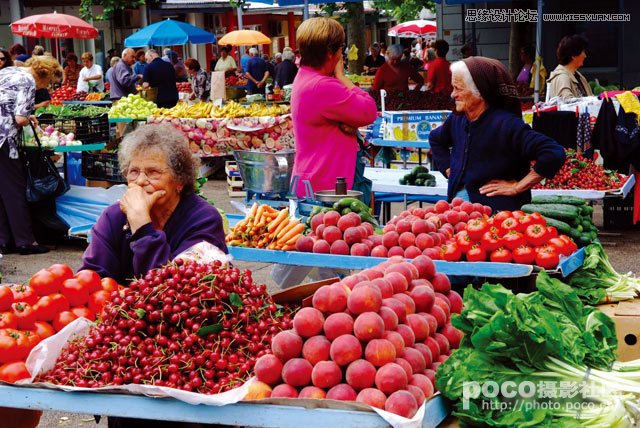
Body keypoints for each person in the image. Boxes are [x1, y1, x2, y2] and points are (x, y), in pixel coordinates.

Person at [80, 123, 227, 285]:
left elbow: (175, 290)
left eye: (153, 172)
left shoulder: (203, 219)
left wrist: (141, 224)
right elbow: (89, 280)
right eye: (134, 171)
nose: (141, 181)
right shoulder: (113, 217)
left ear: (180, 180)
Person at [430, 56, 566, 212]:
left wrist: (517, 187)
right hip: (459, 211)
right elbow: (436, 139)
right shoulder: (457, 119)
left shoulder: (507, 125)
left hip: (498, 217)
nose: (453, 95)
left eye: (459, 89)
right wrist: (449, 168)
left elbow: (553, 153)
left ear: (480, 92)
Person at [0, 55, 63, 255]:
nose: (47, 87)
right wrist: (29, 118)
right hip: (4, 139)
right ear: (44, 75)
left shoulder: (9, 71)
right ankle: (25, 241)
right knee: (15, 191)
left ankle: (4, 240)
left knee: (1, 193)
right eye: (49, 82)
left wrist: (27, 115)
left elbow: (9, 105)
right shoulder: (28, 81)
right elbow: (19, 118)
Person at [546, 34, 593, 101]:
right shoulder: (562, 77)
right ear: (574, 56)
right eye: (583, 52)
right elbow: (567, 104)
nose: (585, 56)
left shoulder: (579, 76)